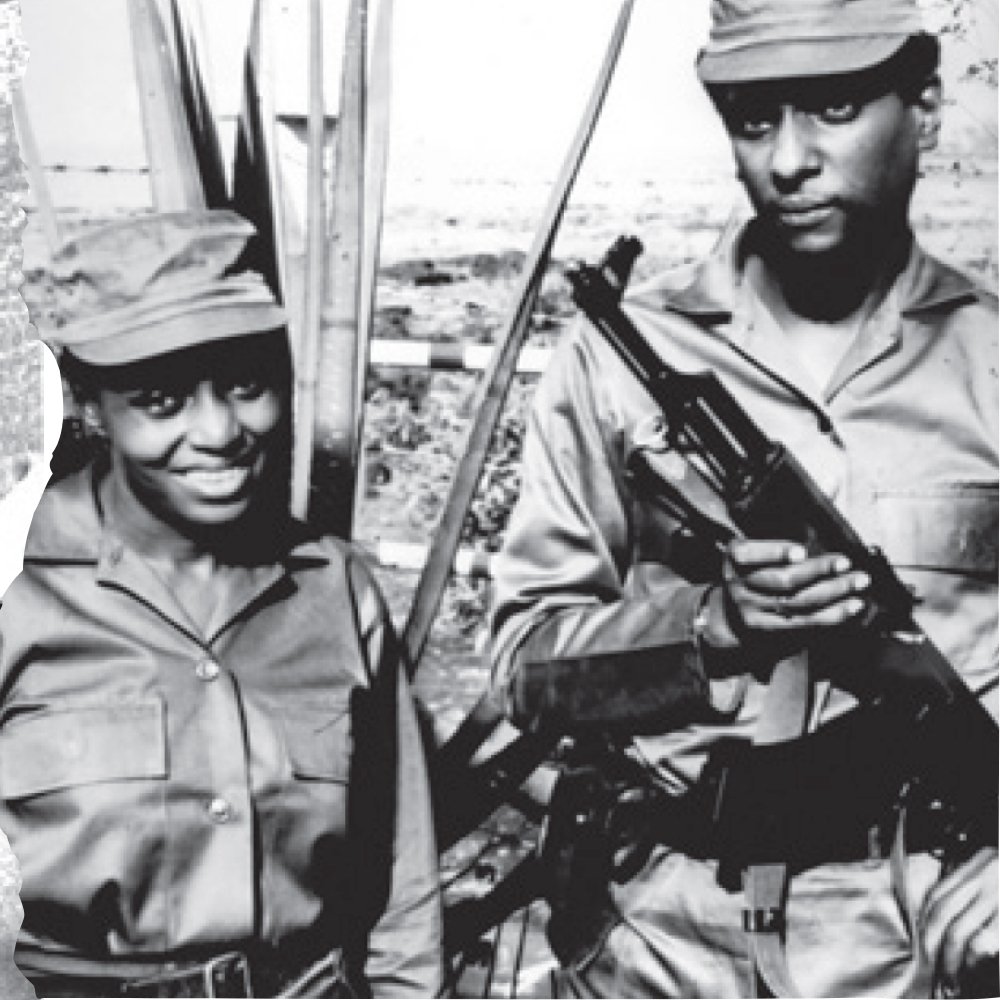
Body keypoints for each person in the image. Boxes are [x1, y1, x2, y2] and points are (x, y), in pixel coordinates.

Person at [490, 1, 998, 996]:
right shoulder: (617, 358)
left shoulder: (989, 358)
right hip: (661, 936)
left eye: (836, 107)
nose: (789, 159)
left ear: (926, 107)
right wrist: (708, 628)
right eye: (754, 118)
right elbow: (525, 671)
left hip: (921, 941)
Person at [0, 210, 443, 998]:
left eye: (245, 384)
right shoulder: (17, 587)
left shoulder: (335, 592)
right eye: (162, 401)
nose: (218, 432)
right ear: (93, 407)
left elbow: (400, 893)